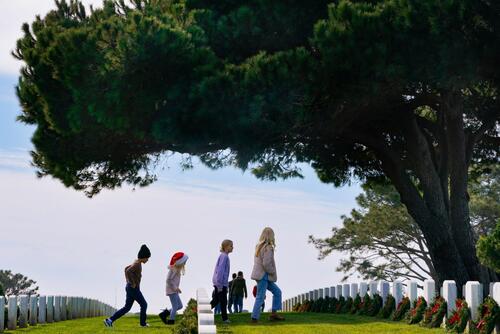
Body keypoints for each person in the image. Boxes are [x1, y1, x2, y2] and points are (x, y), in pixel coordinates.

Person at [104, 244, 151, 328]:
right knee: (144, 304)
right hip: (133, 289)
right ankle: (143, 324)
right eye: (147, 258)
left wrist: (128, 282)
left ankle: (109, 320)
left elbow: (126, 269)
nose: (147, 260)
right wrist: (132, 283)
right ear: (143, 257)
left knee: (127, 308)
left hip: (130, 288)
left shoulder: (136, 262)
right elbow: (128, 271)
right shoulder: (137, 264)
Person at [251, 227, 284, 323]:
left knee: (277, 292)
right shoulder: (268, 247)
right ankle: (254, 318)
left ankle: (273, 314)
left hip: (261, 275)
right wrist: (272, 271)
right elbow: (266, 263)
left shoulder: (259, 246)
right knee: (260, 296)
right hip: (264, 275)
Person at [159, 252, 189, 325]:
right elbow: (168, 280)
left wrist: (176, 288)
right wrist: (175, 288)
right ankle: (171, 321)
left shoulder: (177, 269)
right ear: (180, 262)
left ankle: (164, 314)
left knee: (180, 306)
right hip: (171, 290)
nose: (185, 263)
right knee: (175, 306)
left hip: (174, 290)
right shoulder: (173, 269)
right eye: (184, 261)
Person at [210, 239, 233, 324]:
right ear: (226, 247)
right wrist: (220, 285)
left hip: (220, 283)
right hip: (220, 284)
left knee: (215, 301)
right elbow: (220, 270)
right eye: (231, 246)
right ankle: (225, 319)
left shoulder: (223, 256)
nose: (233, 247)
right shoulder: (224, 256)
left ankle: (199, 312)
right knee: (223, 302)